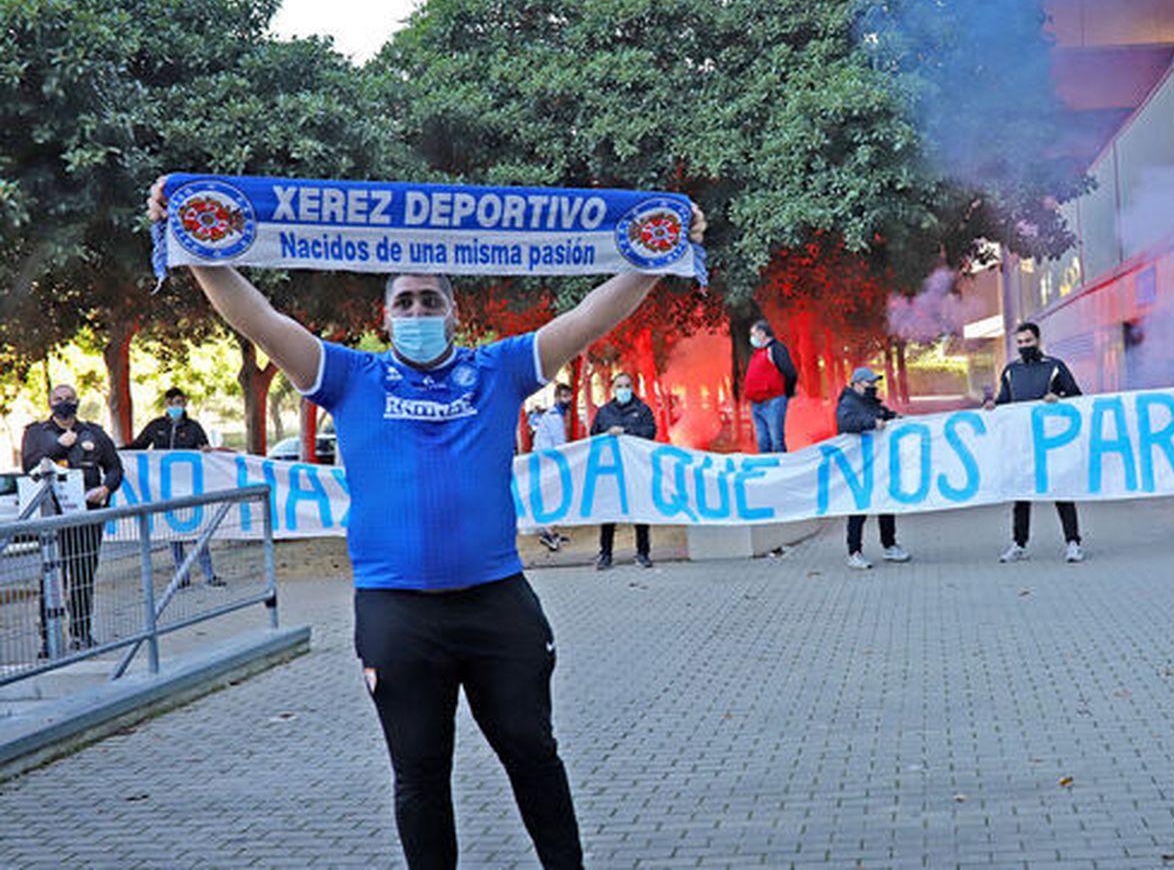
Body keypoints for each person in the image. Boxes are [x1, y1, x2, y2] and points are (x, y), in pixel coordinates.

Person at [149, 176, 704, 870]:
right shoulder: (349, 377)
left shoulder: (500, 369)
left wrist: (657, 250)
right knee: (420, 777)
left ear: (453, 312)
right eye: (404, 301)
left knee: (533, 755)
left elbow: (592, 315)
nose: (418, 309)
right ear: (386, 319)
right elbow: (256, 317)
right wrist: (198, 244)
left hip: (498, 605)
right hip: (396, 614)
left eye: (430, 299)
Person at [21, 384, 124, 653]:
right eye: (58, 399)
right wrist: (57, 446)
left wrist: (106, 488)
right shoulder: (36, 434)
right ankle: (49, 639)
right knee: (52, 579)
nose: (64, 403)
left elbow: (114, 468)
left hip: (86, 517)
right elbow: (29, 466)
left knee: (83, 575)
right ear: (50, 402)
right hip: (52, 518)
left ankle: (81, 633)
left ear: (77, 402)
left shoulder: (94, 433)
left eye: (69, 399)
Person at [985, 322, 1086, 564]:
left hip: (1052, 442)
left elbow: (1077, 396)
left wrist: (1058, 397)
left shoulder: (1055, 367)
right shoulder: (1010, 370)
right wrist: (992, 405)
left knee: (1061, 490)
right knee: (1021, 494)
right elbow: (1004, 401)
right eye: (1020, 343)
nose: (1024, 346)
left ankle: (1073, 543)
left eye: (1028, 341)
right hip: (1022, 443)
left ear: (1038, 341)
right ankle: (1019, 544)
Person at [128, 386, 223, 587]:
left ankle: (209, 574)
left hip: (189, 489)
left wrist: (206, 450)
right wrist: (116, 452)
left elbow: (204, 448)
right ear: (166, 405)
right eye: (171, 403)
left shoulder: (194, 427)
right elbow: (138, 446)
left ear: (185, 403)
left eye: (179, 403)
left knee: (197, 531)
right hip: (164, 489)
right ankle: (182, 576)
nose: (175, 407)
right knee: (174, 534)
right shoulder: (155, 426)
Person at [834, 367, 911, 570]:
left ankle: (889, 545)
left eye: (874, 383)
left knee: (886, 503)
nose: (873, 387)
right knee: (859, 509)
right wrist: (871, 423)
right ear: (857, 384)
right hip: (859, 467)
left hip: (877, 464)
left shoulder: (870, 403)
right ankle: (854, 552)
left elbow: (883, 414)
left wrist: (895, 418)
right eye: (869, 383)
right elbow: (846, 422)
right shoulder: (848, 403)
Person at [590, 373, 656, 570]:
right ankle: (606, 554)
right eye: (620, 386)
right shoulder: (604, 412)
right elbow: (594, 436)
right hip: (611, 472)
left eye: (627, 385)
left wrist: (626, 432)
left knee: (640, 512)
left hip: (636, 470)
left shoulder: (643, 410)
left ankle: (643, 553)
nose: (624, 389)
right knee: (608, 512)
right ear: (613, 388)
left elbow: (650, 432)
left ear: (633, 387)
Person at [744, 319, 798, 453]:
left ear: (762, 333)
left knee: (776, 441)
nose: (752, 338)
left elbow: (790, 373)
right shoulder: (757, 353)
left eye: (753, 334)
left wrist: (786, 393)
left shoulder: (776, 349)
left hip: (773, 401)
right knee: (763, 442)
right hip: (757, 403)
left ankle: (783, 470)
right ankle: (768, 471)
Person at [531, 384, 574, 552]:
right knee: (554, 497)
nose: (566, 400)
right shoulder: (555, 417)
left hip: (547, 461)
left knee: (554, 496)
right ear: (556, 398)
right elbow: (559, 444)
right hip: (549, 463)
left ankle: (551, 531)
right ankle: (547, 533)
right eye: (563, 396)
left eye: (568, 396)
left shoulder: (557, 415)